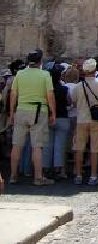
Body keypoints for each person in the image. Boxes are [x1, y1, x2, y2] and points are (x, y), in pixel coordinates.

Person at [7, 51, 56, 185]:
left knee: (16, 145)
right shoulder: (45, 74)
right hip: (39, 111)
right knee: (37, 146)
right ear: (40, 61)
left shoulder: (20, 74)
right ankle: (38, 177)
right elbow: (50, 95)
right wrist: (53, 113)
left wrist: (12, 113)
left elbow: (13, 94)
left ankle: (13, 175)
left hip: (21, 109)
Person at [70, 58, 98, 185]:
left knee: (79, 148)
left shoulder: (78, 86)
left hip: (81, 119)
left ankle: (78, 175)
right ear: (95, 70)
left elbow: (73, 102)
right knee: (96, 148)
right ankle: (93, 176)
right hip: (97, 119)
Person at [42, 63, 71, 179]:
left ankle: (46, 168)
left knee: (47, 145)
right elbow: (69, 102)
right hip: (62, 117)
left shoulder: (45, 89)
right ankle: (59, 169)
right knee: (60, 145)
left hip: (48, 117)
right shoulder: (64, 89)